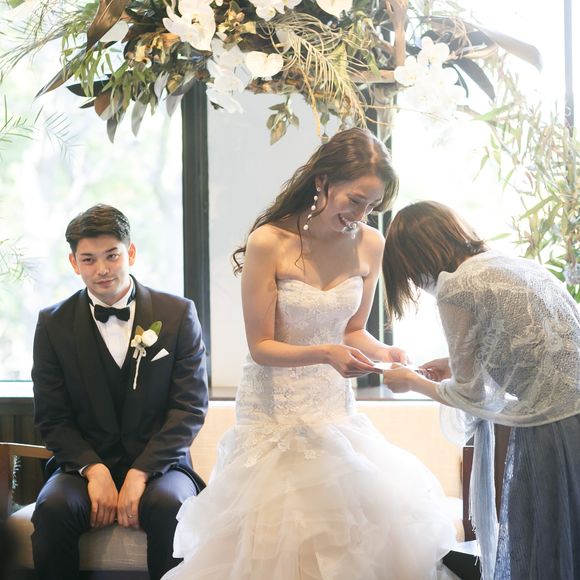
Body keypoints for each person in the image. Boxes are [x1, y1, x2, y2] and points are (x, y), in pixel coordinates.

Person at [162, 128, 457, 580]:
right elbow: (261, 347)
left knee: (352, 542)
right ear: (323, 182)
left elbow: (353, 330)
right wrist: (325, 354)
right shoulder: (268, 242)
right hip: (273, 416)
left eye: (372, 206)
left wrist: (387, 352)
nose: (360, 216)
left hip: (334, 413)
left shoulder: (370, 244)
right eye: (355, 200)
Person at [381, 200, 580, 580]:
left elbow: (471, 396)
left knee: (544, 545)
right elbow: (531, 348)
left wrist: (411, 382)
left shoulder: (456, 286)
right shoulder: (515, 264)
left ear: (414, 258)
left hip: (551, 428)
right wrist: (452, 363)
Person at [31, 204, 209, 580]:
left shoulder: (177, 314)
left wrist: (141, 471)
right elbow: (52, 417)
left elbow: (189, 408)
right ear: (74, 263)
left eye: (111, 255)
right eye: (89, 259)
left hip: (162, 467)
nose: (102, 269)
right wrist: (94, 470)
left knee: (171, 505)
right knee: (53, 507)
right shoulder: (52, 324)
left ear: (130, 252)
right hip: (81, 468)